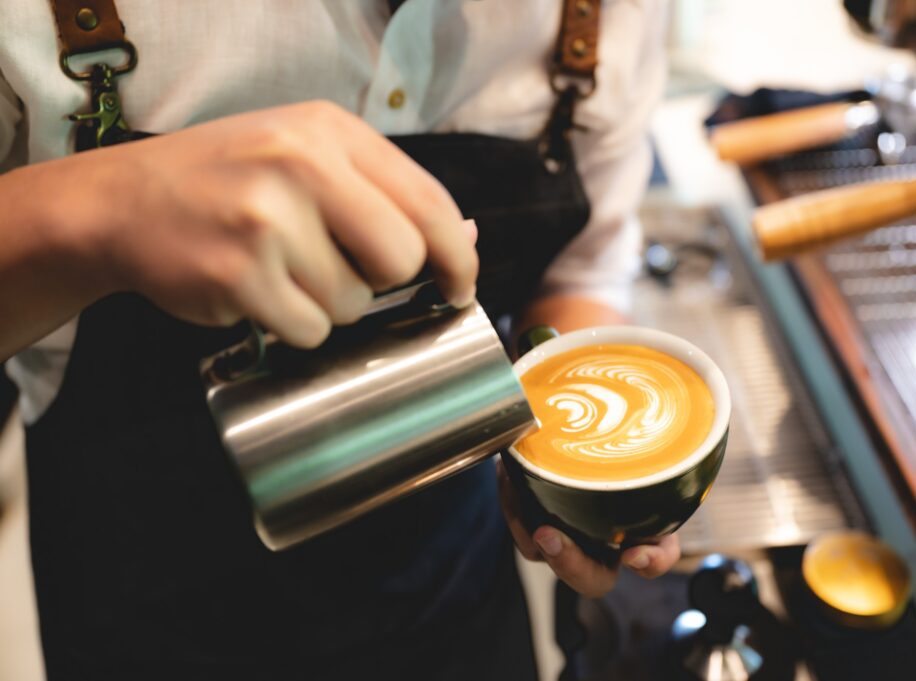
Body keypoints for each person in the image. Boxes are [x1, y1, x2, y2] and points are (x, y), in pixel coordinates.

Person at [0, 1, 678, 679]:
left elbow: (579, 269)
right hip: (140, 618)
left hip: (455, 599)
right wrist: (101, 212)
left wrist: (586, 475)